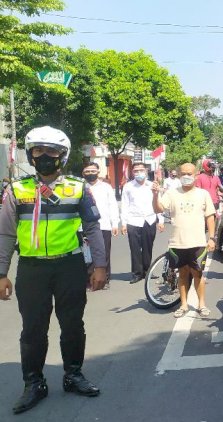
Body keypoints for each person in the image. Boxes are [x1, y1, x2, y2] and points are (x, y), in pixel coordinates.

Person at [0, 126, 107, 414]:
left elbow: (93, 227)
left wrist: (100, 265)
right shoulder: (17, 189)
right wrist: (1, 273)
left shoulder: (77, 188)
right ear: (31, 155)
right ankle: (33, 383)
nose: (44, 156)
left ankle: (73, 375)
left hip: (69, 267)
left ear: (62, 155)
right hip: (32, 270)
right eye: (38, 151)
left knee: (73, 325)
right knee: (33, 330)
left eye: (51, 151)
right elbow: (6, 234)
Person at [152, 163, 216, 317]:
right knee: (182, 274)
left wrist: (212, 238)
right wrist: (155, 195)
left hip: (198, 242)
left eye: (190, 173)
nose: (186, 176)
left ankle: (201, 305)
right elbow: (158, 209)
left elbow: (210, 216)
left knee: (197, 274)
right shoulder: (171, 193)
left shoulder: (203, 194)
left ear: (196, 175)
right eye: (183, 173)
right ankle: (184, 305)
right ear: (179, 175)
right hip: (177, 242)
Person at [121, 162, 165, 284]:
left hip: (149, 220)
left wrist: (160, 220)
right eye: (136, 171)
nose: (138, 173)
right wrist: (123, 223)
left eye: (141, 170)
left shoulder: (152, 185)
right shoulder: (128, 187)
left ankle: (147, 270)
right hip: (133, 221)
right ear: (132, 172)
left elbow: (159, 203)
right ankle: (136, 273)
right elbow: (125, 205)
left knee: (148, 248)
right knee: (134, 248)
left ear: (146, 171)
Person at [82, 162, 120, 284]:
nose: (90, 173)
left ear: (98, 172)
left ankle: (105, 279)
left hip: (103, 225)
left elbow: (113, 205)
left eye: (93, 171)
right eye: (87, 171)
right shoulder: (81, 187)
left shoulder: (106, 187)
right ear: (83, 173)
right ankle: (88, 279)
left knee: (104, 253)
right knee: (86, 254)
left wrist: (115, 223)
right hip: (83, 227)